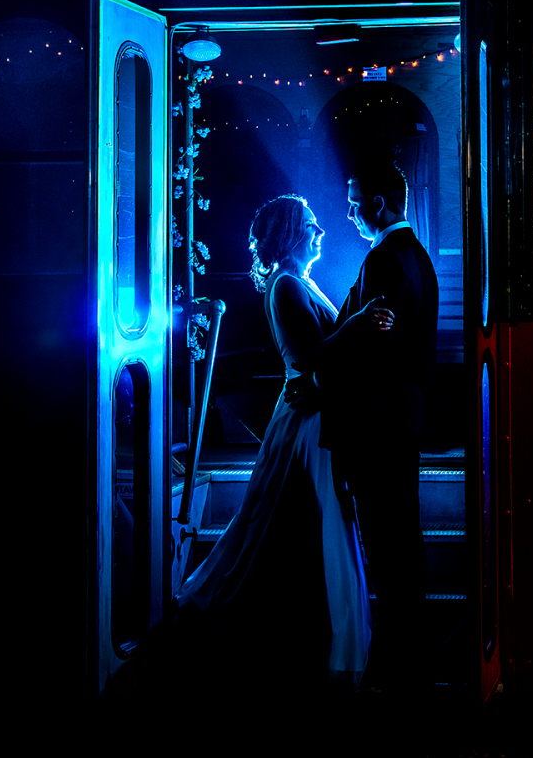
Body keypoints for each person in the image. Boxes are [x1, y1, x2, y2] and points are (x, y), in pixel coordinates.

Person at [176, 194, 389, 696]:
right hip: (306, 423)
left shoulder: (298, 282)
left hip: (312, 408)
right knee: (309, 522)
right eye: (311, 225)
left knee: (301, 523)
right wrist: (357, 326)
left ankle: (306, 633)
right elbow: (316, 358)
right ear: (292, 232)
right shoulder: (288, 286)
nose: (320, 232)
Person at [293, 160, 438, 688]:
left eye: (355, 202)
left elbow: (365, 348)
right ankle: (411, 647)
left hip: (375, 424)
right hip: (403, 418)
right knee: (403, 535)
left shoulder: (382, 259)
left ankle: (397, 657)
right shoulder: (417, 257)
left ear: (378, 204)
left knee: (385, 539)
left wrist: (321, 365)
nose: (350, 212)